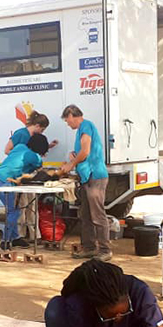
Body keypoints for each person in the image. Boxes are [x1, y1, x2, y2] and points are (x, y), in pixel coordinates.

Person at [58, 105, 111, 261]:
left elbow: (86, 151)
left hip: (96, 176)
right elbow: (83, 152)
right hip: (87, 177)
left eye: (67, 120)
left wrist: (71, 164)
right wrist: (74, 156)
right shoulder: (80, 131)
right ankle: (88, 247)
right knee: (86, 215)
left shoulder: (86, 125)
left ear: (72, 115)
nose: (68, 124)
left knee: (98, 214)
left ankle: (105, 250)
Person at [0, 134, 50, 249]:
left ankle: (16, 238)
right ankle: (5, 241)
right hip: (4, 181)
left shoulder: (20, 146)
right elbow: (41, 171)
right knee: (13, 211)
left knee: (14, 209)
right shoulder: (35, 157)